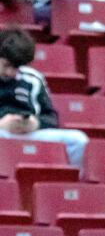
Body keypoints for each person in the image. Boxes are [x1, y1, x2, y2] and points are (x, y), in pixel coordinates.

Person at [0, 28, 88, 167]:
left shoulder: (33, 78)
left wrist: (35, 123)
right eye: (6, 65)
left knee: (78, 140)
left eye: (16, 67)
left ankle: (71, 185)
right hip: (2, 133)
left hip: (29, 133)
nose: (11, 72)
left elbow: (51, 119)